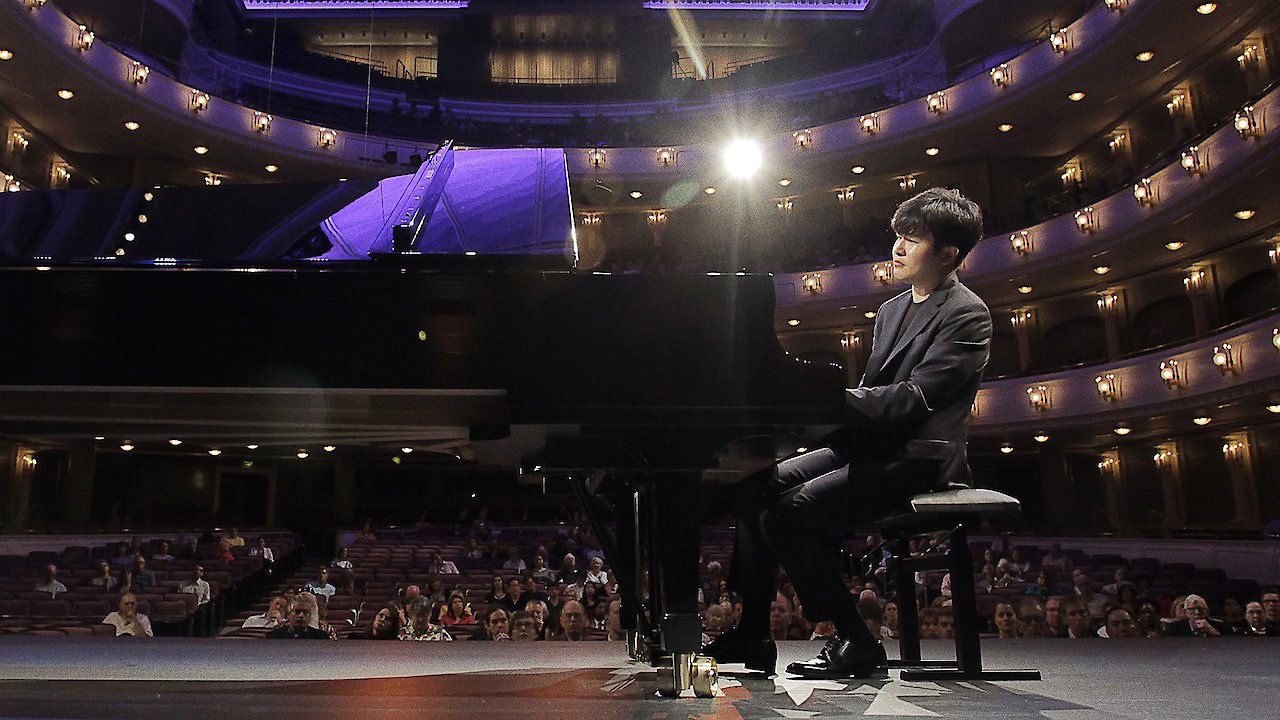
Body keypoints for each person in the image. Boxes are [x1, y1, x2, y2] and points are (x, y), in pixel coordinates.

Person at [705, 188, 990, 679]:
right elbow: (873, 392)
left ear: (949, 253)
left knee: (793, 513)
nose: (898, 247)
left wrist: (826, 402)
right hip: (871, 446)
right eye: (898, 235)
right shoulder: (892, 310)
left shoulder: (967, 314)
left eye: (914, 239)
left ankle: (856, 640)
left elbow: (915, 397)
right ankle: (754, 631)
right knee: (753, 487)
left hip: (918, 456)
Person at [1163, 594, 1232, 637]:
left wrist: (1213, 632)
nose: (1197, 612)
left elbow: (1231, 647)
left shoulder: (1221, 626)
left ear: (1207, 611)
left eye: (1201, 609)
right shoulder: (1173, 628)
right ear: (1186, 612)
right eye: (1192, 609)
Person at [267, 597, 331, 639]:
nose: (301, 615)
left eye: (305, 612)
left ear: (310, 617)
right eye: (297, 612)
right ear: (289, 615)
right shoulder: (274, 636)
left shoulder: (321, 637)